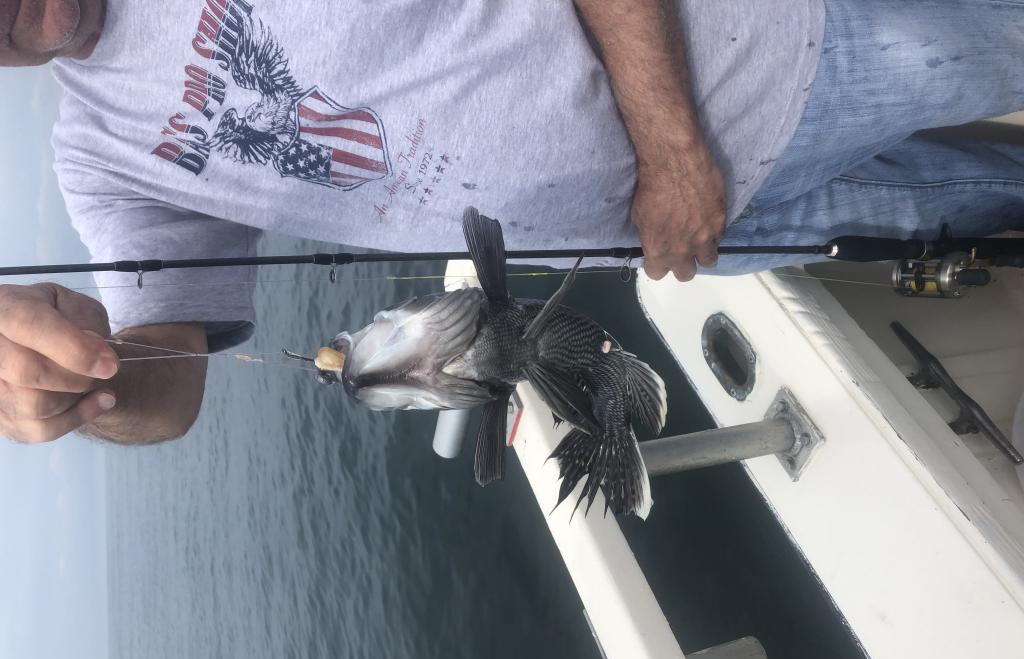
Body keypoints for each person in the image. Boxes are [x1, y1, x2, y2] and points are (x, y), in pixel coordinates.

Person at [0, 0, 1022, 446]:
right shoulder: (97, 155)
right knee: (980, 211)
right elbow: (166, 381)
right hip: (690, 233)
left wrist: (672, 150)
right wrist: (82, 384)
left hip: (765, 58)